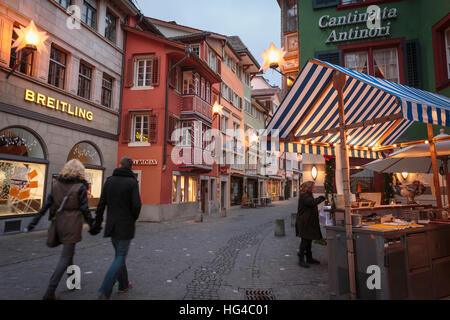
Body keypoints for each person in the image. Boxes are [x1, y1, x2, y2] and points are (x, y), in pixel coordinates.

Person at [26, 159, 93, 300]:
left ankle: (73, 282)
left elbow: (46, 205)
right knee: (66, 256)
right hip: (72, 223)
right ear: (80, 171)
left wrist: (33, 222)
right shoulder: (80, 187)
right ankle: (50, 291)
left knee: (69, 254)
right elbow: (84, 209)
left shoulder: (56, 185)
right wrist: (92, 225)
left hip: (58, 222)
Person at [90, 157, 142, 300]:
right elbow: (137, 205)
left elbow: (101, 204)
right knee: (120, 256)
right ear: (131, 167)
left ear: (120, 165)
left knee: (119, 255)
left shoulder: (109, 181)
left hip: (112, 225)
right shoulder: (132, 182)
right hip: (125, 225)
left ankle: (123, 285)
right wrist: (133, 218)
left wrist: (98, 222)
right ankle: (104, 290)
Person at [296, 181, 325, 268]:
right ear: (309, 187)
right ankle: (301, 259)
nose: (314, 188)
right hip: (304, 222)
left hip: (308, 222)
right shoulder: (305, 196)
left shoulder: (308, 195)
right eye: (313, 187)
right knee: (305, 241)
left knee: (308, 240)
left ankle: (309, 258)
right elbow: (312, 203)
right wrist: (321, 198)